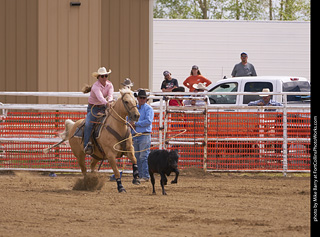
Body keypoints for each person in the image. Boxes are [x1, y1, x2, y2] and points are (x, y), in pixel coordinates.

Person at [83, 67, 114, 155]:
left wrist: (110, 101)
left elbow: (110, 95)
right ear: (98, 77)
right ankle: (86, 145)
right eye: (102, 76)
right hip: (94, 108)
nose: (104, 78)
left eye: (106, 76)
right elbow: (100, 97)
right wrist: (107, 103)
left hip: (104, 106)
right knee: (89, 124)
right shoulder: (95, 86)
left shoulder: (110, 84)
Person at [129, 89, 154, 182]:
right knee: (137, 156)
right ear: (138, 98)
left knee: (143, 156)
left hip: (144, 135)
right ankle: (140, 175)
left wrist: (135, 124)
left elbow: (148, 121)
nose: (142, 99)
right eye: (141, 98)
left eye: (144, 98)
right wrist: (130, 124)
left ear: (146, 99)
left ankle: (145, 176)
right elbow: (128, 119)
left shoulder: (148, 109)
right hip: (136, 134)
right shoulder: (135, 109)